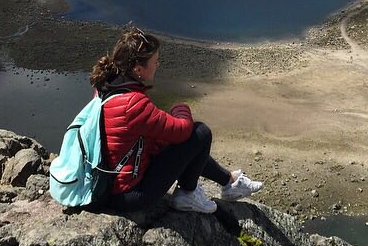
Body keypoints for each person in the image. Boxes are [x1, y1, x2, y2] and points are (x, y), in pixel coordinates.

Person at [92, 25, 263, 213]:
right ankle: (187, 195)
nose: (158, 64)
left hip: (114, 185)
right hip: (132, 195)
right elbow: (182, 130)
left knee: (177, 144)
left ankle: (229, 181)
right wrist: (180, 107)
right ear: (138, 68)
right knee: (200, 132)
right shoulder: (132, 103)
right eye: (155, 61)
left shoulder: (107, 89)